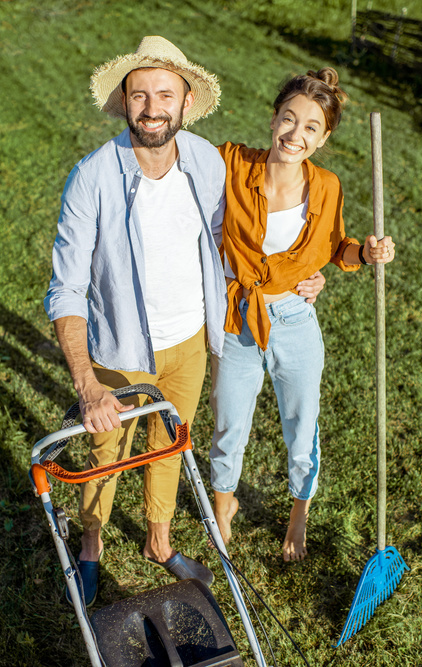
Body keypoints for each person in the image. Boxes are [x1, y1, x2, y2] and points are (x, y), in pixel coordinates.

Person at [45, 36, 328, 605]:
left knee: (171, 445)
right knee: (107, 451)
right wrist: (88, 383)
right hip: (120, 351)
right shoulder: (92, 178)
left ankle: (159, 539)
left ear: (186, 100)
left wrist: (306, 271)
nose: (152, 107)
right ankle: (92, 545)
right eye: (140, 94)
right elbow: (67, 288)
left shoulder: (205, 160)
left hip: (193, 341)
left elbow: (249, 227)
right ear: (124, 101)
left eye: (165, 94)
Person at [209, 67, 396, 562]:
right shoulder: (231, 163)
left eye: (311, 127)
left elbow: (337, 248)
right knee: (230, 424)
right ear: (273, 119)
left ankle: (298, 515)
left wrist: (367, 253)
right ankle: (223, 505)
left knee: (302, 426)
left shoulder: (327, 186)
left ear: (325, 136)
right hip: (238, 321)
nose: (296, 135)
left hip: (294, 320)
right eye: (288, 120)